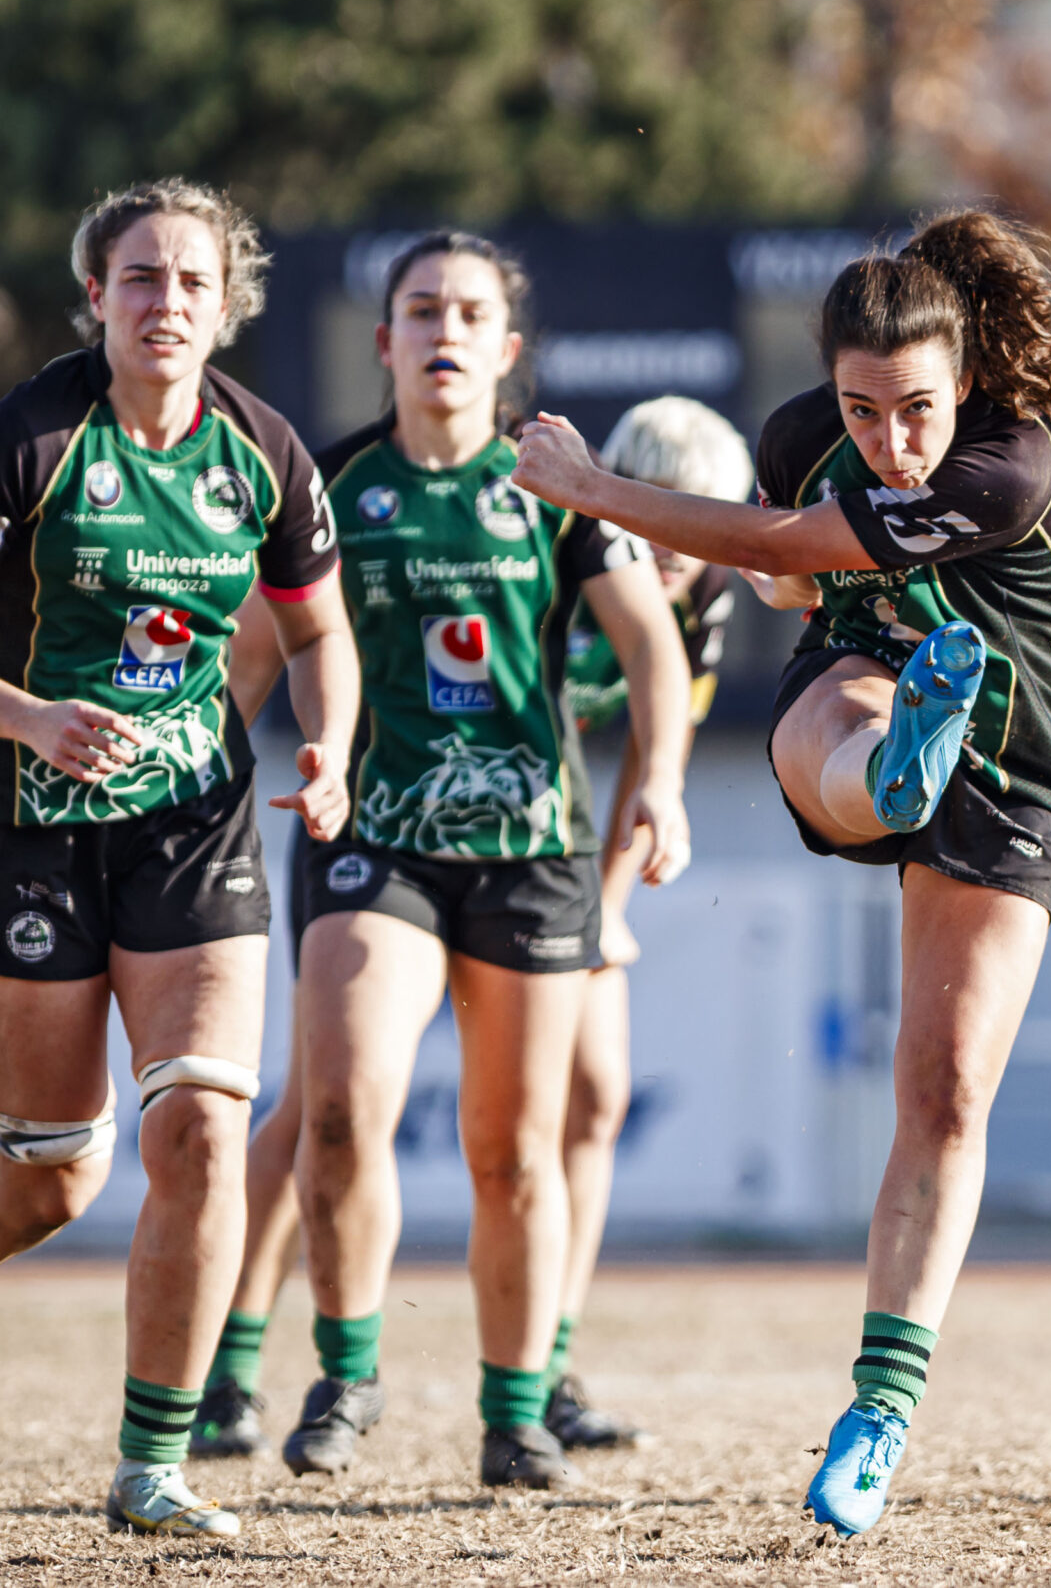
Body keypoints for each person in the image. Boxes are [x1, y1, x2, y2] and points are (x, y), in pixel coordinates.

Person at [509, 209, 1051, 1538]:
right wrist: (787, 578)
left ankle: (879, 1411)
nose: (891, 438)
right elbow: (783, 552)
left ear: (965, 381)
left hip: (1008, 761)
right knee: (820, 723)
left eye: (915, 408)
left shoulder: (1012, 463)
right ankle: (892, 762)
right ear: (829, 384)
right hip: (868, 685)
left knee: (944, 1090)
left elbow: (783, 547)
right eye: (863, 406)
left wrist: (599, 488)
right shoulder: (803, 439)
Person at [0, 179, 357, 1540]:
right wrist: (33, 715)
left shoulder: (265, 453)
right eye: (139, 278)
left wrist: (330, 749)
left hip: (191, 819)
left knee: (200, 1126)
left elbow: (317, 634)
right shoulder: (28, 437)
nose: (166, 304)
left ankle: (151, 1463)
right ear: (96, 296)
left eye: (191, 282)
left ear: (224, 304)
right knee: (55, 1173)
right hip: (16, 825)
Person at [211, 230, 693, 1492]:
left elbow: (651, 652)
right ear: (384, 342)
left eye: (469, 312)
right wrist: (208, 777)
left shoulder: (557, 487)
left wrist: (666, 789)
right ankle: (347, 1373)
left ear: (507, 350)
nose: (443, 331)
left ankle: (516, 1412)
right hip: (378, 838)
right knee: (339, 1103)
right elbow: (254, 657)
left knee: (515, 1150)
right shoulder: (328, 485)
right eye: (420, 310)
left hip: (533, 849)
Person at [544, 395, 751, 1451]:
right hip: (431, 825)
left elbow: (640, 754)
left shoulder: (700, 593)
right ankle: (234, 1357)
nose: (681, 546)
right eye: (663, 514)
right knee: (332, 1109)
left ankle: (549, 1364)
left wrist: (606, 911)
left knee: (595, 1097)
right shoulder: (560, 542)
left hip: (557, 843)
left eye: (703, 519)